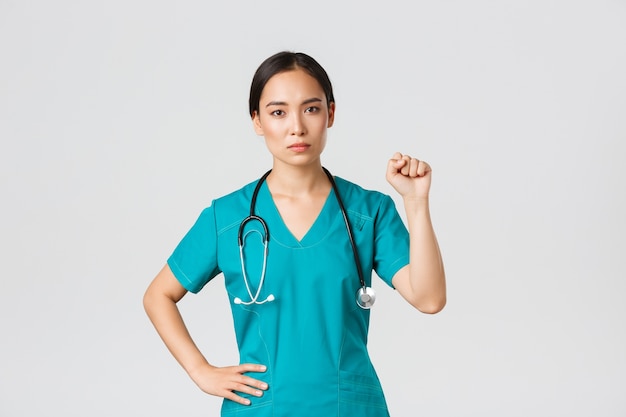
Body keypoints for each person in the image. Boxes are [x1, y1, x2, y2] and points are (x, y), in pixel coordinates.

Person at [143, 51, 446, 417]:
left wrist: (416, 202)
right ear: (257, 121)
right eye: (278, 112)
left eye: (311, 109)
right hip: (262, 407)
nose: (296, 127)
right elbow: (158, 295)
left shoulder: (369, 212)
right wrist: (200, 370)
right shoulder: (228, 218)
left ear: (331, 114)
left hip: (348, 407)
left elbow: (429, 299)